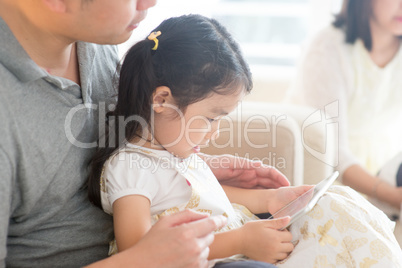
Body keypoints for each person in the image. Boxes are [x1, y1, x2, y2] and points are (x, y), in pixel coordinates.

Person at [88, 14, 402, 267]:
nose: (216, 131)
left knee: (335, 205)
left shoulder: (174, 150)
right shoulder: (130, 167)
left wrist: (269, 200)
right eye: (211, 118)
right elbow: (141, 252)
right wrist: (240, 241)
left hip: (240, 244)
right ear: (162, 101)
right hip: (218, 261)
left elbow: (203, 193)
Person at [0, 0, 290, 267]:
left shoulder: (99, 43)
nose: (149, 3)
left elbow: (139, 143)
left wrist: (193, 173)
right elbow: (140, 244)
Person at [287, 0, 402, 211]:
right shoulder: (328, 48)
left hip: (382, 168)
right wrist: (391, 196)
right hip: (326, 174)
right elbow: (331, 152)